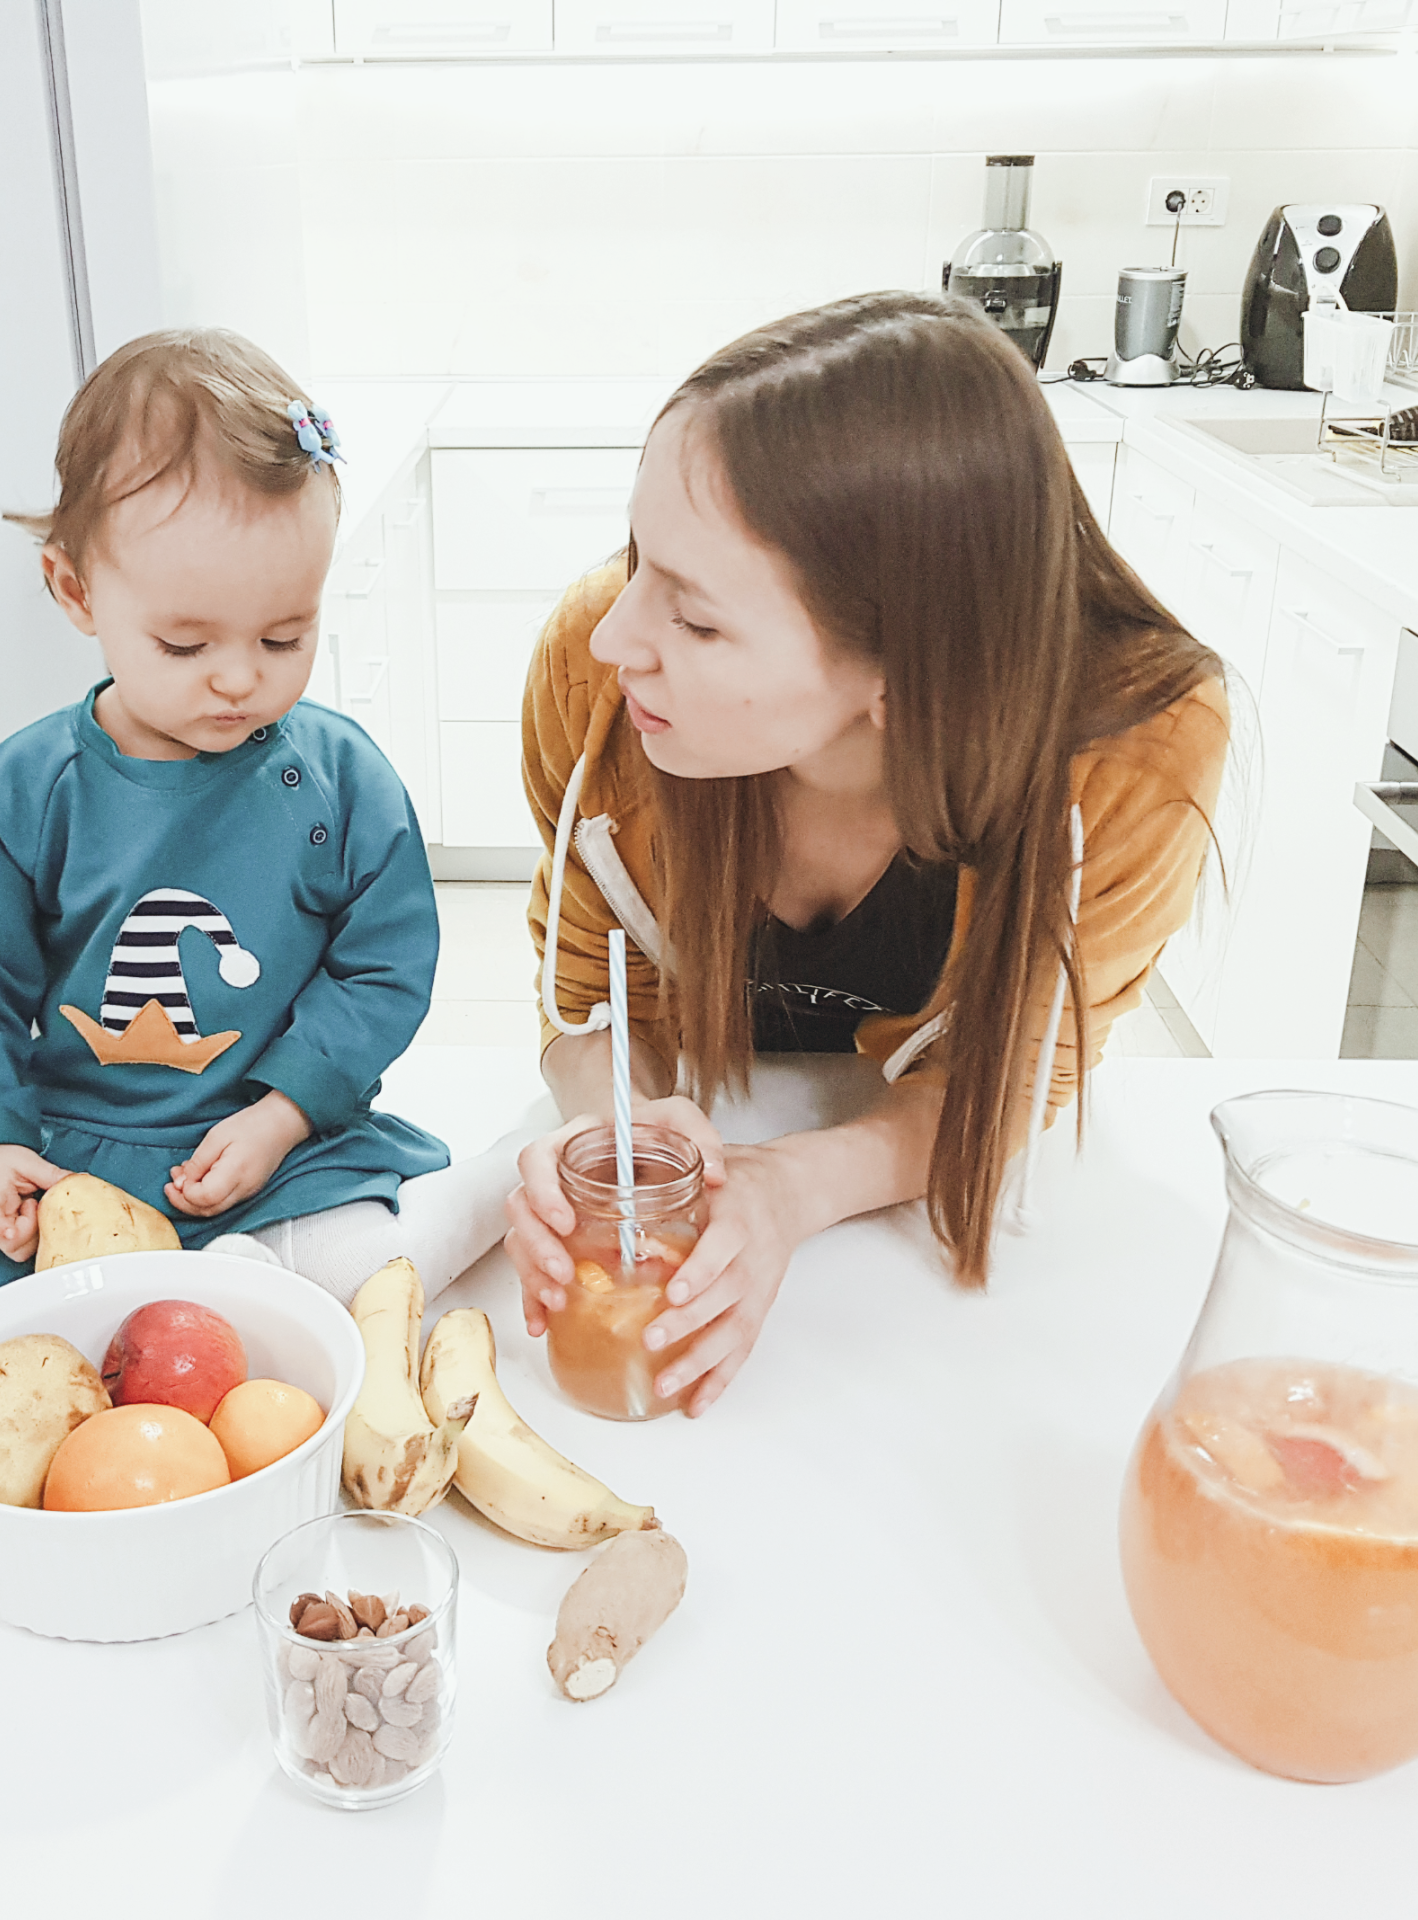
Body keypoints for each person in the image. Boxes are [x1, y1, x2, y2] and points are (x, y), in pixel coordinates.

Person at [509, 291, 1229, 1415]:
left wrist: (786, 1189)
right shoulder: (592, 687)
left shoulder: (1132, 761)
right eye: (635, 557)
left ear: (907, 669)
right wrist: (614, 1138)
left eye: (695, 620)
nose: (615, 637)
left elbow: (1013, 1081)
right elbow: (589, 1006)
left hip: (931, 1310)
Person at [0, 330, 513, 1364]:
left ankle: (341, 1242)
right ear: (77, 593)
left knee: (359, 1277)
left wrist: (282, 1115)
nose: (240, 679)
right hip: (73, 1146)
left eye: (285, 636)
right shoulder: (29, 790)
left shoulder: (338, 777)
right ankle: (213, 1291)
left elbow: (381, 963)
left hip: (272, 1141)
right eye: (186, 646)